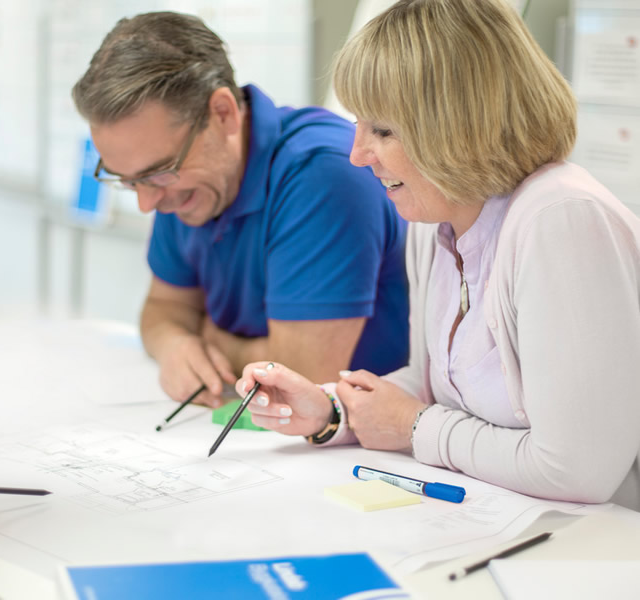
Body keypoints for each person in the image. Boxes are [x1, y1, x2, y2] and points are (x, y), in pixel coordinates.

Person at [236, 0, 640, 509]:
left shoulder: (559, 218)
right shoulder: (436, 219)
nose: (357, 154)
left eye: (382, 131)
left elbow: (575, 470)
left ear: (459, 127)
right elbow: (441, 385)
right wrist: (331, 409)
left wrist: (414, 427)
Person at [72, 12, 409, 408]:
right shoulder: (180, 183)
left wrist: (212, 341)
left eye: (157, 173)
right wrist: (176, 344)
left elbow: (302, 374)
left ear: (223, 114)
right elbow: (162, 310)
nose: (147, 203)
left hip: (367, 444)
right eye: (129, 180)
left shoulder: (323, 173)